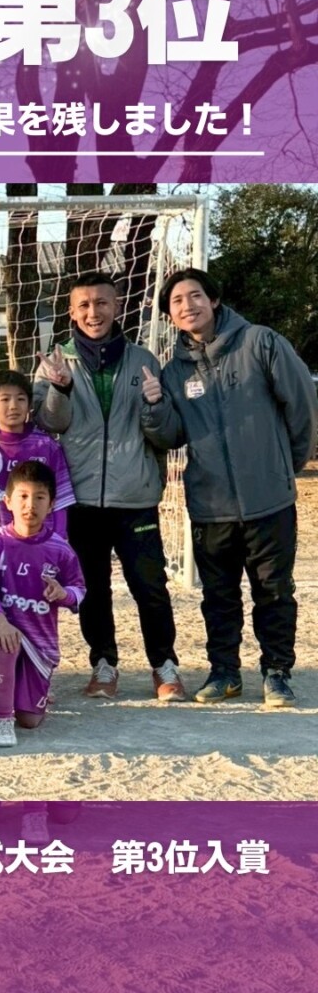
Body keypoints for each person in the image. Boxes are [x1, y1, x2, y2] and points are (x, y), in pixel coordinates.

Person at [156, 267, 318, 707]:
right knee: (219, 597)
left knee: (274, 592)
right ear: (170, 315)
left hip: (270, 499)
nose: (187, 306)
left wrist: (285, 465)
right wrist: (153, 406)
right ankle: (225, 673)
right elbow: (169, 435)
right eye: (177, 301)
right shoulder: (173, 372)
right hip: (210, 506)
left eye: (195, 296)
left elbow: (303, 405)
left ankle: (277, 673)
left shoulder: (260, 342)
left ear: (213, 300)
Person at [33, 271, 185, 702]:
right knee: (93, 588)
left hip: (135, 496)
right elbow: (50, 423)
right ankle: (103, 664)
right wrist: (59, 388)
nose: (93, 312)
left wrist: (155, 405)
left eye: (101, 303)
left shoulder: (143, 359)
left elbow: (166, 435)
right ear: (71, 312)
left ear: (116, 306)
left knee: (149, 586)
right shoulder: (56, 362)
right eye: (83, 305)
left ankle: (164, 665)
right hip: (80, 497)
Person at [0, 461, 85, 748]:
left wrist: (63, 594)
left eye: (39, 497)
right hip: (1, 625)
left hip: (40, 640)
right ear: (8, 501)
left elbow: (80, 591)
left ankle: (23, 689)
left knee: (30, 720)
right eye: (23, 496)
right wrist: (0, 621)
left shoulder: (60, 549)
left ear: (51, 505)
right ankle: (2, 719)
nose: (30, 505)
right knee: (6, 641)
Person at [0, 369, 75, 535]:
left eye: (20, 399)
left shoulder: (46, 445)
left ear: (30, 405)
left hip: (42, 538)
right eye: (5, 399)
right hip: (1, 537)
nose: (13, 406)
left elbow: (61, 499)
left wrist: (59, 538)